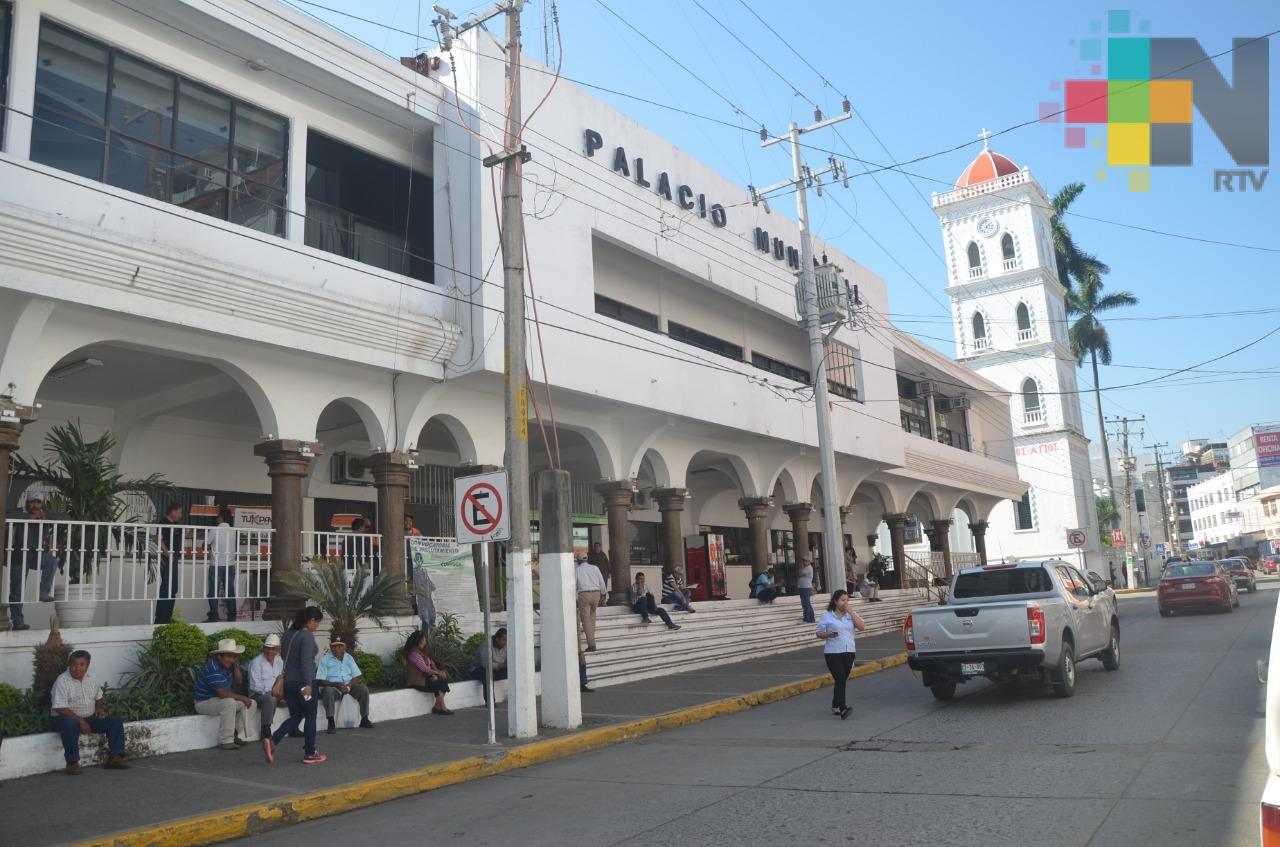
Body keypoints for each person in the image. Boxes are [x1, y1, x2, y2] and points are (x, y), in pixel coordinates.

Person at [50, 650, 129, 774]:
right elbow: (59, 708)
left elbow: (99, 696)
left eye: (82, 664)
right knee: (69, 724)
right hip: (64, 718)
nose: (78, 668)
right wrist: (80, 721)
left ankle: (115, 758)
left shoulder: (91, 678)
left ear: (88, 665)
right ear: (69, 665)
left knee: (115, 721)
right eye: (74, 664)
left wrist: (99, 709)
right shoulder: (62, 681)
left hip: (89, 717)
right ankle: (72, 763)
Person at [265, 606, 326, 765]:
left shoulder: (287, 634)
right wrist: (308, 684)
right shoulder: (306, 636)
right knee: (311, 715)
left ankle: (273, 740)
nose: (316, 626)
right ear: (311, 620)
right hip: (304, 684)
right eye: (317, 623)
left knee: (297, 716)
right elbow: (305, 662)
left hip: (289, 683)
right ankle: (310, 753)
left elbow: (285, 656)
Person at [7, 495, 62, 631]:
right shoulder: (20, 512)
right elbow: (7, 514)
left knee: (52, 560)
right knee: (17, 591)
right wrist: (30, 518)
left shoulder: (45, 513)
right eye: (32, 502)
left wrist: (44, 516)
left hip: (36, 555)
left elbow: (66, 517)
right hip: (19, 556)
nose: (35, 505)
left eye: (38, 502)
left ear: (41, 504)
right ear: (27, 503)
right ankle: (18, 622)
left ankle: (43, 592)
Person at [195, 638, 257, 750]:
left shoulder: (229, 665)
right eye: (228, 656)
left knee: (251, 703)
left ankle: (234, 734)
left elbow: (239, 681)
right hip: (203, 702)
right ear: (219, 656)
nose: (231, 659)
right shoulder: (212, 667)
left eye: (234, 656)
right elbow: (222, 694)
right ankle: (226, 740)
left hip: (219, 700)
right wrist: (242, 697)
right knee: (229, 703)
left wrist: (236, 665)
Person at [815, 589, 866, 720]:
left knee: (841, 680)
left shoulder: (851, 615)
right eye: (843, 600)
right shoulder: (827, 616)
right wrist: (828, 634)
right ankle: (843, 708)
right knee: (840, 679)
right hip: (833, 653)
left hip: (849, 652)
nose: (845, 602)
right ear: (835, 601)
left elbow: (861, 627)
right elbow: (819, 633)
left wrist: (851, 612)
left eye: (847, 600)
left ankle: (835, 704)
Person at [316, 638, 374, 733]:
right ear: (330, 647)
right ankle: (331, 722)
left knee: (363, 689)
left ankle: (364, 719)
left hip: (348, 686)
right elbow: (320, 680)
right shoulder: (325, 659)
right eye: (334, 646)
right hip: (333, 687)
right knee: (328, 691)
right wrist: (336, 685)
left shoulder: (349, 658)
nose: (337, 648)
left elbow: (356, 676)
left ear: (344, 647)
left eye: (339, 646)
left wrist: (349, 687)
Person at [404, 630, 453, 715]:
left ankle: (437, 707)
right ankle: (443, 708)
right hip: (417, 681)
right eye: (424, 638)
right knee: (437, 683)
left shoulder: (422, 652)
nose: (426, 640)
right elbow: (425, 669)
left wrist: (439, 673)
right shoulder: (414, 654)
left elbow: (430, 665)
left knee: (442, 681)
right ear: (420, 641)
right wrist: (438, 673)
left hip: (424, 678)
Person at [247, 633, 284, 740]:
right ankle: (266, 730)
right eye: (268, 648)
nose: (270, 651)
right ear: (263, 648)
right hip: (258, 695)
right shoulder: (256, 662)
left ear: (278, 650)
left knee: (298, 695)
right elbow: (254, 686)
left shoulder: (279, 661)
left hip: (278, 693)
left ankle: (294, 727)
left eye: (274, 649)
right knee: (270, 698)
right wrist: (271, 691)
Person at [205, 507, 237, 623]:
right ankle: (232, 616)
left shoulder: (215, 530)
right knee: (230, 591)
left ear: (221, 517)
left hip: (216, 564)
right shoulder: (233, 530)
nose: (217, 518)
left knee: (214, 591)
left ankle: (214, 616)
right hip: (230, 564)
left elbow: (206, 543)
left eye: (218, 516)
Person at [155, 503, 184, 624]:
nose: (180, 515)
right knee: (166, 587)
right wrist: (168, 554)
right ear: (173, 511)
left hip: (174, 558)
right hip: (166, 558)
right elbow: (159, 540)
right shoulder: (163, 522)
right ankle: (160, 618)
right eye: (179, 512)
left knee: (173, 587)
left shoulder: (176, 525)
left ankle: (168, 616)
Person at [575, 551, 607, 651]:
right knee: (592, 615)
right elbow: (602, 581)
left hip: (584, 594)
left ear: (579, 561)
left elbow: (574, 585)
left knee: (585, 620)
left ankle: (591, 644)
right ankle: (591, 636)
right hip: (596, 594)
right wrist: (603, 594)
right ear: (587, 559)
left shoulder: (577, 569)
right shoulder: (595, 568)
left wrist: (575, 597)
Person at [470, 627, 508, 703]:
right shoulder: (486, 645)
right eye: (503, 640)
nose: (505, 642)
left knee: (515, 671)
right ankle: (490, 702)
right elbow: (485, 664)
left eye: (506, 640)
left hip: (496, 669)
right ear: (497, 639)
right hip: (478, 669)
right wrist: (500, 665)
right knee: (487, 674)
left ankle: (514, 696)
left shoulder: (505, 646)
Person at [412, 560, 438, 634]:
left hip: (430, 602)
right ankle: (425, 640)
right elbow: (416, 590)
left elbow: (434, 587)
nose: (424, 574)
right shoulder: (416, 576)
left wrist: (427, 581)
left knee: (432, 621)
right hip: (422, 603)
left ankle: (433, 639)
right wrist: (426, 588)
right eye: (422, 573)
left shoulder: (427, 580)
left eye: (424, 573)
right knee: (425, 622)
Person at [797, 554, 816, 623]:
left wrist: (800, 571)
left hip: (805, 588)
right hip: (803, 587)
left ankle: (807, 618)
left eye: (805, 561)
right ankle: (811, 618)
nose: (804, 562)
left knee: (806, 603)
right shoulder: (805, 568)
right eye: (803, 561)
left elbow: (800, 574)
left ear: (809, 561)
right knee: (806, 603)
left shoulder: (809, 568)